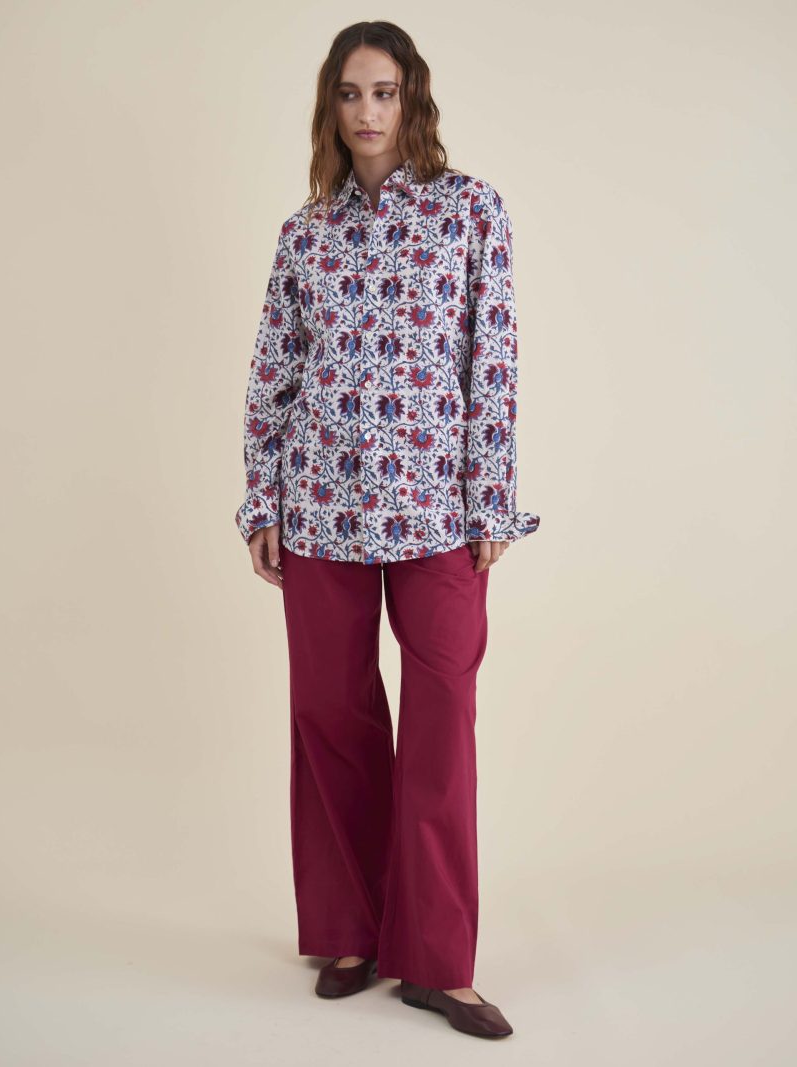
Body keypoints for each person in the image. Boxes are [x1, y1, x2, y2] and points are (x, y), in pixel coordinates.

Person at [235, 21, 540, 1039]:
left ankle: (438, 962)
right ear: (330, 106)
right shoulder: (305, 234)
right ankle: (353, 931)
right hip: (320, 504)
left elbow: (492, 360)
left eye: (384, 91)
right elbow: (273, 373)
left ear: (413, 100)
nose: (366, 112)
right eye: (349, 93)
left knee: (442, 717)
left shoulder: (469, 210)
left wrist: (489, 498)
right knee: (331, 713)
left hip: (437, 509)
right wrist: (262, 499)